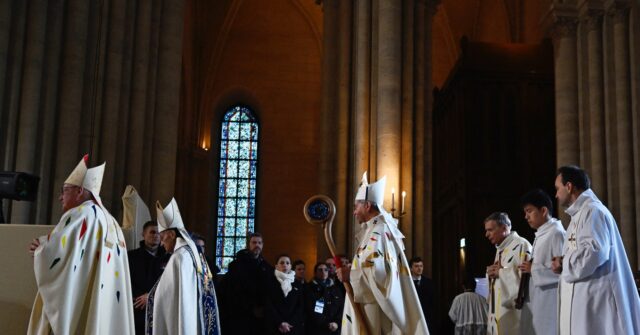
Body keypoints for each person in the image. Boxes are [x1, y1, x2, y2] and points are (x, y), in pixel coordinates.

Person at [27, 155, 135, 334]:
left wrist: (41, 248)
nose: (61, 197)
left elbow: (57, 257)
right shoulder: (111, 221)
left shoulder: (79, 214)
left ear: (79, 191)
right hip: (105, 304)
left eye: (65, 190)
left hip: (80, 300)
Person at [551, 166, 640, 334]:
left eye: (557, 189)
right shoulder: (579, 215)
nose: (556, 194)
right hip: (586, 303)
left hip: (596, 302)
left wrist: (564, 263)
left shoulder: (593, 212)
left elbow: (595, 252)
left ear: (569, 187)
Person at [337, 172, 429, 334]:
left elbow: (381, 275)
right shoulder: (374, 231)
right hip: (366, 305)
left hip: (373, 311)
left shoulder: (379, 233)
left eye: (356, 207)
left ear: (367, 205)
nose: (354, 212)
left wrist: (351, 274)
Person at [145, 198, 221, 335]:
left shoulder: (179, 257)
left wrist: (152, 296)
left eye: (162, 238)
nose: (161, 244)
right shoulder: (192, 253)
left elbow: (170, 297)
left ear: (172, 234)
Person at [517, 189, 565, 335]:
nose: (526, 216)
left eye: (529, 211)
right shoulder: (542, 234)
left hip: (551, 302)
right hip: (539, 301)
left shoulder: (556, 233)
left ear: (543, 210)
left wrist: (533, 268)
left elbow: (563, 271)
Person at [484, 212, 532, 335]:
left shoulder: (521, 245)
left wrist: (501, 272)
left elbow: (527, 281)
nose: (487, 234)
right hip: (498, 312)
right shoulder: (501, 249)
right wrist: (491, 275)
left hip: (513, 313)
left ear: (504, 228)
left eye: (490, 230)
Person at [219, 232, 274, 334]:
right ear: (248, 245)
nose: (257, 245)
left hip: (260, 317)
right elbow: (233, 291)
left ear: (262, 245)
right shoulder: (236, 266)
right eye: (254, 242)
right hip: (240, 315)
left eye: (259, 243)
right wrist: (251, 308)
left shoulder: (267, 267)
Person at [128, 220, 167, 334]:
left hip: (159, 309)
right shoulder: (131, 256)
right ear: (143, 234)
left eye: (159, 233)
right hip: (137, 308)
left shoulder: (169, 258)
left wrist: (151, 297)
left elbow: (169, 283)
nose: (155, 235)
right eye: (152, 232)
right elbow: (126, 281)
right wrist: (139, 297)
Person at [264, 255, 305, 334]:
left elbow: (300, 306)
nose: (284, 265)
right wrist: (280, 322)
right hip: (275, 326)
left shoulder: (297, 284)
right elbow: (269, 304)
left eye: (287, 263)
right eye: (282, 263)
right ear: (276, 266)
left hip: (292, 326)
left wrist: (290, 323)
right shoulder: (270, 282)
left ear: (290, 266)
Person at [305, 262, 345, 335]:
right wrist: (326, 324)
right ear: (315, 272)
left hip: (335, 328)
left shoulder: (336, 289)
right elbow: (311, 309)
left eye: (326, 270)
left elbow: (341, 307)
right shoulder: (309, 288)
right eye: (320, 270)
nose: (323, 272)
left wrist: (336, 322)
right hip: (317, 329)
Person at [409, 256, 436, 334]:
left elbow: (433, 303)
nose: (419, 268)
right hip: (412, 317)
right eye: (416, 266)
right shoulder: (407, 283)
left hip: (426, 319)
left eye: (421, 266)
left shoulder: (429, 283)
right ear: (411, 268)